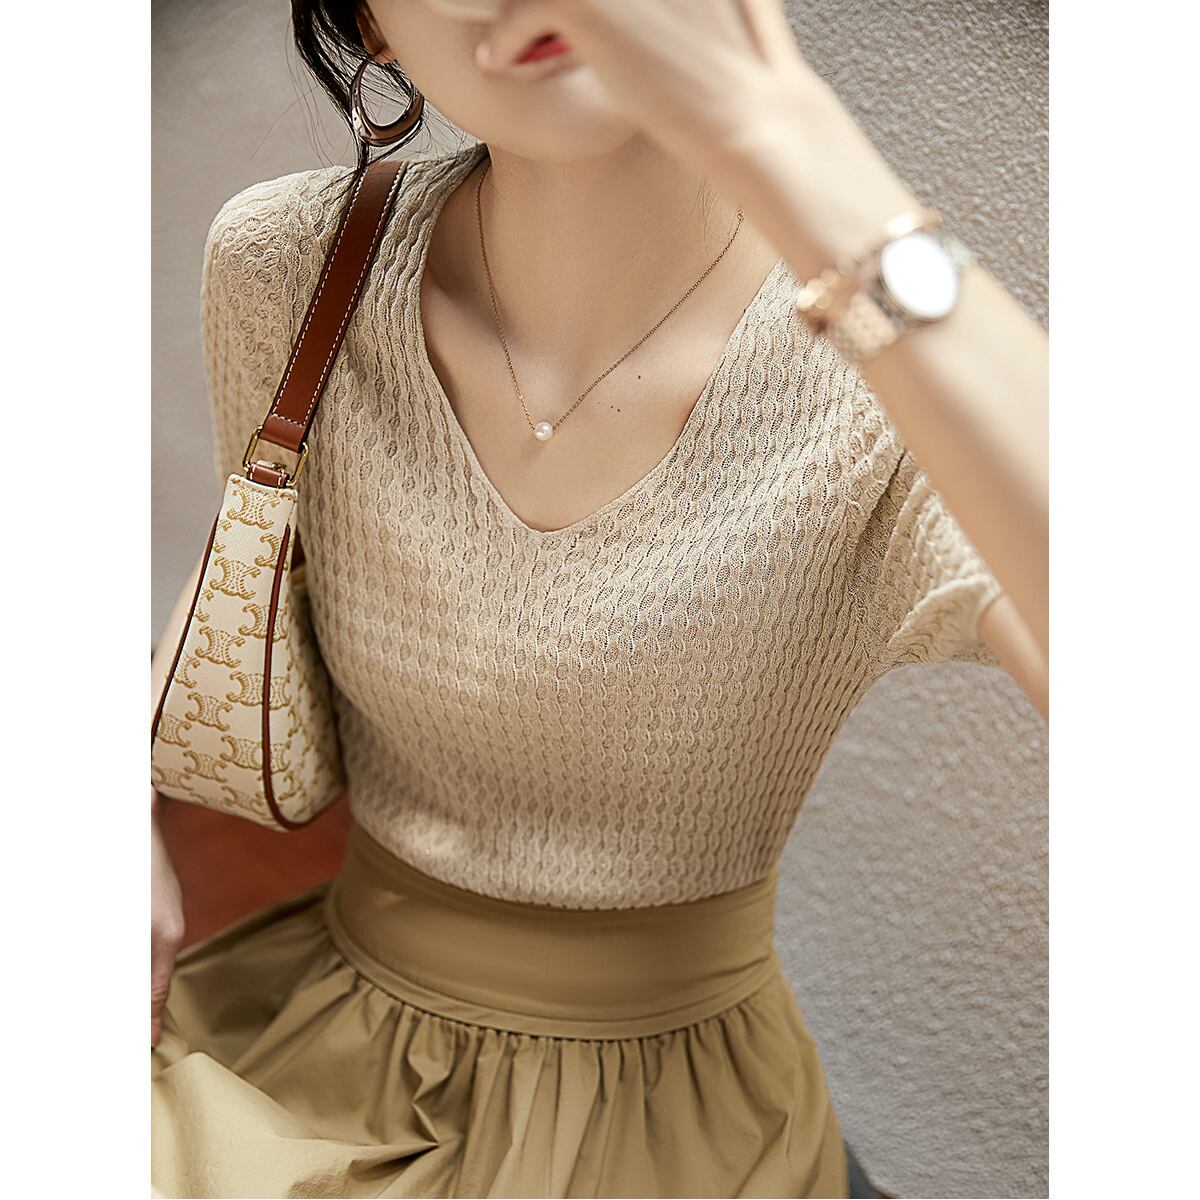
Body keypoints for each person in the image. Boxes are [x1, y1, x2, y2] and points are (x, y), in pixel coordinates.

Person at [150, 1, 1048, 1196]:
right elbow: (262, 562)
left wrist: (791, 136)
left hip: (675, 1117)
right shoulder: (290, 265)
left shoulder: (890, 379)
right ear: (371, 25)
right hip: (316, 1050)